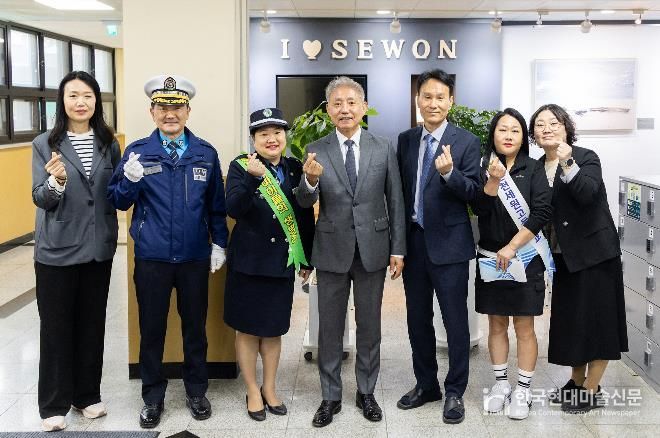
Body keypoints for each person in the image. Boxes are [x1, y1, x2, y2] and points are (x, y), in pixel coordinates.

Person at [107, 75, 229, 428]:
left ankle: (196, 391)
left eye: (177, 107)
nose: (170, 114)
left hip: (194, 257)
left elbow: (216, 207)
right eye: (162, 107)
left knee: (195, 329)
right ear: (152, 111)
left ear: (188, 111)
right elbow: (118, 201)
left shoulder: (205, 152)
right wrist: (128, 181)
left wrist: (219, 243)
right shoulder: (137, 152)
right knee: (152, 330)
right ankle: (152, 397)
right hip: (153, 258)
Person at [295, 76, 406, 427]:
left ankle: (366, 392)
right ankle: (330, 396)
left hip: (373, 248)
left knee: (370, 325)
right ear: (328, 110)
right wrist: (310, 180)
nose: (345, 109)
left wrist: (398, 249)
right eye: (337, 103)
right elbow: (304, 201)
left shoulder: (382, 146)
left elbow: (395, 200)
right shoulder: (316, 147)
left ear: (363, 107)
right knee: (329, 327)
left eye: (351, 102)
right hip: (331, 249)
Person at [31, 71, 120, 431]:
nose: (80, 102)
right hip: (57, 248)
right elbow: (41, 197)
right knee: (56, 328)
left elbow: (112, 192)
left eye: (87, 96)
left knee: (92, 324)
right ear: (62, 101)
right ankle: (54, 404)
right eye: (73, 95)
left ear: (97, 101)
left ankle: (86, 395)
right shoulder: (44, 143)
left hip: (98, 247)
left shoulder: (108, 142)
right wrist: (57, 182)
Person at [529, 103, 627, 413]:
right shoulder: (536, 167)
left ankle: (591, 389)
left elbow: (587, 193)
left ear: (566, 128)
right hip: (563, 258)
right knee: (573, 323)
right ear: (533, 134)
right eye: (540, 124)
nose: (547, 128)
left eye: (554, 123)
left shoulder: (585, 157)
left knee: (598, 324)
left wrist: (567, 161)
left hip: (595, 255)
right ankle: (575, 382)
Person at [395, 69, 481, 424]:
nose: (433, 103)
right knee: (417, 320)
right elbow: (400, 195)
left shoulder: (467, 142)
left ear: (451, 101)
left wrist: (449, 174)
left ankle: (455, 391)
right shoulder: (406, 140)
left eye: (440, 97)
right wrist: (397, 246)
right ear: (418, 100)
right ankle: (426, 384)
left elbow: (474, 192)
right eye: (427, 96)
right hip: (414, 244)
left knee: (455, 321)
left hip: (451, 246)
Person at [224, 107, 315, 421]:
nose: (272, 139)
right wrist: (252, 179)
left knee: (274, 329)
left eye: (277, 132)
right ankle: (252, 390)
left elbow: (303, 214)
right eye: (263, 134)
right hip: (249, 263)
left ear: (285, 136)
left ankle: (270, 387)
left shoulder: (294, 167)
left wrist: (307, 258)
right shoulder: (241, 166)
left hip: (281, 262)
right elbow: (234, 208)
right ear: (254, 139)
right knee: (248, 330)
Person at [471, 108, 553, 419]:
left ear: (523, 137)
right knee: (496, 323)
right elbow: (479, 208)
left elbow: (541, 212)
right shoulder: (483, 166)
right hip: (491, 258)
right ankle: (501, 384)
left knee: (524, 325)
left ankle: (524, 389)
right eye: (502, 129)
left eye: (515, 130)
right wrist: (493, 180)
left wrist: (512, 246)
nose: (508, 135)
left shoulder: (533, 168)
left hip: (525, 257)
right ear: (493, 134)